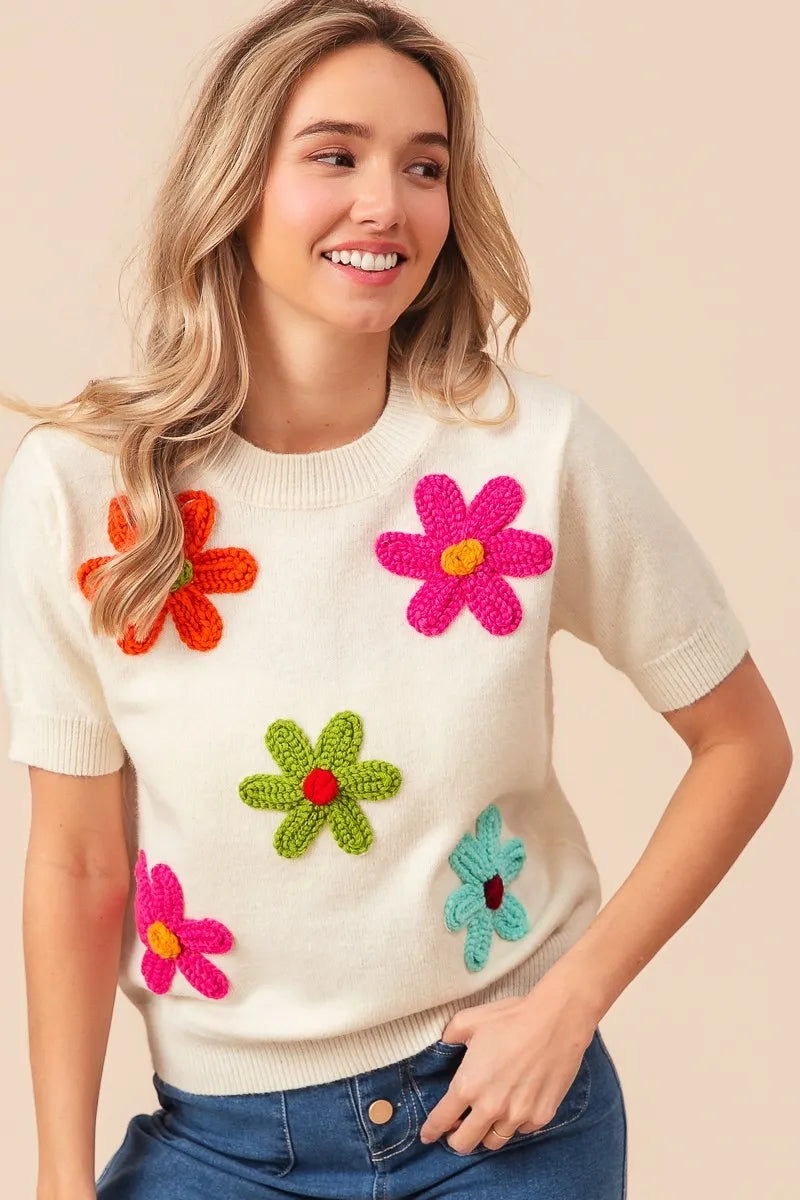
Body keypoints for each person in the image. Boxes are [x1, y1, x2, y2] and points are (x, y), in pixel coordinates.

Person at [0, 2, 791, 1198]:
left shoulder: (529, 457)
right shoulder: (85, 490)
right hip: (216, 1144)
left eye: (423, 167)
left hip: (501, 1126)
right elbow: (76, 867)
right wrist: (60, 1177)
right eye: (334, 156)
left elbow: (742, 741)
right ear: (237, 184)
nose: (387, 202)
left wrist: (567, 1005)